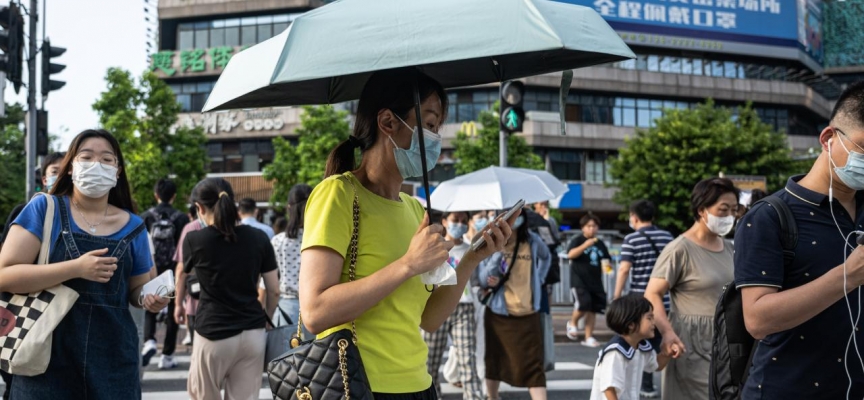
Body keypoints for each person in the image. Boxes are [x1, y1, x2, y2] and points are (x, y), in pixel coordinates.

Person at [299, 67, 514, 399]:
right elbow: (315, 312)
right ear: (387, 122)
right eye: (428, 124)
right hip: (358, 386)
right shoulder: (338, 195)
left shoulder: (415, 209)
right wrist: (407, 265)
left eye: (437, 128)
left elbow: (428, 319)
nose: (436, 138)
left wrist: (472, 257)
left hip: (418, 385)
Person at [0, 129, 169, 398]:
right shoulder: (44, 209)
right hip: (44, 359)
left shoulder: (135, 227)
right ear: (71, 167)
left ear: (118, 171)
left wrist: (150, 298)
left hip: (113, 362)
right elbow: (5, 274)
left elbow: (137, 291)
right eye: (86, 157)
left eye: (106, 160)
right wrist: (76, 268)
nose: (96, 165)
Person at [734, 82, 864, 399]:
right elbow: (757, 319)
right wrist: (847, 276)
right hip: (786, 390)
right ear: (828, 139)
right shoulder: (768, 217)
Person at [179, 178, 280, 400]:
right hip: (253, 332)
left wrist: (177, 304)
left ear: (199, 208)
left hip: (213, 333)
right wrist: (267, 317)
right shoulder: (259, 238)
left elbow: (182, 273)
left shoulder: (195, 240)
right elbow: (273, 289)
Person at [643, 177, 738, 400]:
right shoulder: (679, 249)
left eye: (734, 210)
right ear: (702, 210)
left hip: (726, 339)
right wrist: (667, 333)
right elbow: (652, 293)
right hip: (690, 341)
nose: (729, 217)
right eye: (723, 210)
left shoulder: (731, 248)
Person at [478, 208, 552, 400]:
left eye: (517, 217)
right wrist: (497, 254)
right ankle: (492, 397)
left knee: (534, 365)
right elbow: (484, 279)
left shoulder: (533, 240)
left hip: (528, 311)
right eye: (508, 217)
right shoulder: (490, 243)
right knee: (495, 360)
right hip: (499, 314)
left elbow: (547, 257)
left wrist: (540, 279)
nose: (513, 221)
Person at [614, 200, 674, 397]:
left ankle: (646, 386)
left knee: (641, 343)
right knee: (664, 340)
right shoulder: (667, 237)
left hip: (639, 304)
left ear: (634, 217)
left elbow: (624, 269)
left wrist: (617, 296)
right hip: (664, 301)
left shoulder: (631, 239)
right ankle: (669, 385)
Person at [423, 211, 484, 400]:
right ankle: (433, 396)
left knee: (467, 359)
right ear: (444, 222)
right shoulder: (435, 247)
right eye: (455, 220)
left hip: (464, 307)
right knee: (430, 361)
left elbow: (476, 280)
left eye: (464, 221)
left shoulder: (471, 249)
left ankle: (474, 396)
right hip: (437, 305)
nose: (460, 224)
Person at [140, 178, 190, 369]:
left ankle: (150, 340)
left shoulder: (146, 217)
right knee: (173, 311)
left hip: (151, 268)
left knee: (149, 303)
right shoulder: (181, 218)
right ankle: (167, 355)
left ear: (156, 195)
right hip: (173, 270)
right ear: (174, 196)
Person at [589, 294, 674, 400]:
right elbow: (609, 389)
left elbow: (656, 365)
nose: (654, 322)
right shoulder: (616, 352)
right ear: (631, 324)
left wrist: (667, 353)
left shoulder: (641, 347)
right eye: (649, 318)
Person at [1, 152, 65, 247]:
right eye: (55, 172)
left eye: (65, 171)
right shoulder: (22, 211)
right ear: (44, 180)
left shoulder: (81, 214)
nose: (60, 176)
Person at [270, 183, 312, 327]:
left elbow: (271, 287)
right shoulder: (322, 241)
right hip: (316, 309)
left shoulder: (278, 241)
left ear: (289, 208)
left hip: (287, 309)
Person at [566, 213, 610, 347]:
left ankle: (588, 336)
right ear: (583, 228)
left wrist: (608, 269)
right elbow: (570, 255)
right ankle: (572, 323)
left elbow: (606, 259)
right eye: (589, 226)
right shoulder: (578, 240)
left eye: (594, 226)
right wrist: (585, 245)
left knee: (593, 309)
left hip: (596, 281)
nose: (592, 229)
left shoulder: (600, 243)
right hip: (579, 280)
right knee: (583, 303)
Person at [174, 204, 204, 348]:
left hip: (197, 301)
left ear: (200, 207)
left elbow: (181, 270)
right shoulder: (238, 229)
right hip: (232, 307)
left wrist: (178, 303)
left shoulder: (191, 229)